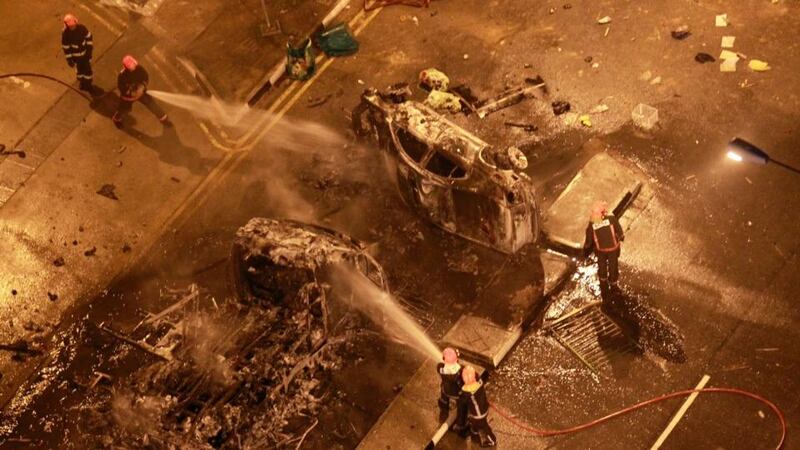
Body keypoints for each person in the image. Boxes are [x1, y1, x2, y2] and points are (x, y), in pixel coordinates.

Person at [112, 55, 171, 129]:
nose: (133, 68)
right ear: (126, 67)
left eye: (134, 66)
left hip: (141, 93)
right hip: (128, 98)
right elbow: (121, 88)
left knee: (152, 104)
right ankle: (116, 119)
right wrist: (131, 92)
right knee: (124, 109)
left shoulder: (139, 68)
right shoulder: (122, 76)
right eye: (131, 67)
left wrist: (142, 86)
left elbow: (145, 77)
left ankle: (163, 119)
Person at [584, 200, 624, 297]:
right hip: (613, 249)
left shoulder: (593, 224)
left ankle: (603, 281)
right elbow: (618, 229)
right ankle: (613, 283)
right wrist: (621, 236)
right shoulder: (611, 219)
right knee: (613, 266)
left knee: (602, 265)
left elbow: (589, 238)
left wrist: (586, 247)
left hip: (601, 250)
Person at [457, 365, 496, 447]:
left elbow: (462, 403)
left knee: (484, 427)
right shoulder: (479, 382)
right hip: (484, 407)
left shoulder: (466, 393)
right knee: (475, 422)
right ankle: (474, 430)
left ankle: (492, 440)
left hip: (478, 416)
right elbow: (477, 375)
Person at [61, 14, 96, 94]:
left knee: (88, 71)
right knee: (79, 72)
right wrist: (69, 59)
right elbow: (66, 48)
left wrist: (89, 51)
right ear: (66, 25)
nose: (72, 27)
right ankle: (82, 82)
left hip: (85, 55)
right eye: (70, 26)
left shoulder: (82, 28)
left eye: (73, 25)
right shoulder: (65, 34)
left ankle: (88, 85)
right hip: (76, 59)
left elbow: (89, 38)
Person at [437, 347, 464, 425]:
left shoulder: (440, 368)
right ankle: (461, 422)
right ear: (456, 359)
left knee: (443, 401)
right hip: (457, 394)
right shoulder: (461, 371)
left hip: (445, 391)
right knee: (461, 407)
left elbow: (440, 366)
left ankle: (443, 413)